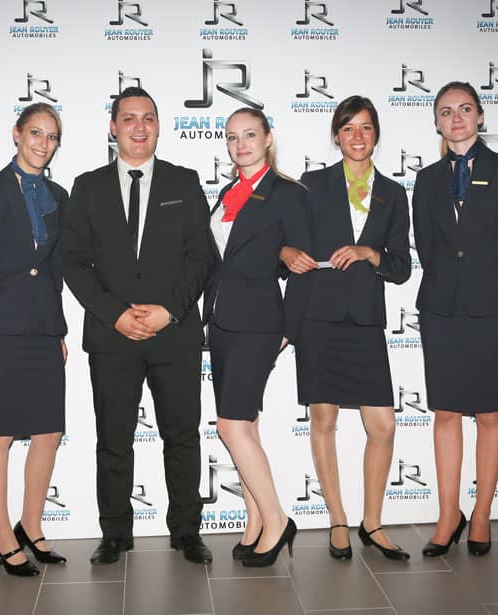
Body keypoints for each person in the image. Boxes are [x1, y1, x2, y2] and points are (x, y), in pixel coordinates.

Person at [61, 86, 215, 565]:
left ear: (159, 126)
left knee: (182, 437)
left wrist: (169, 310)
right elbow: (73, 262)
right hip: (113, 337)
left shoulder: (185, 182)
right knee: (113, 441)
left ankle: (186, 531)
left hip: (175, 333)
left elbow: (202, 257)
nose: (139, 127)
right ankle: (114, 533)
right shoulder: (87, 187)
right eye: (129, 118)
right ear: (113, 127)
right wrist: (115, 314)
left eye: (148, 117)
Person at [282, 95, 411, 561]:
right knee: (324, 419)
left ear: (376, 135)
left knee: (383, 425)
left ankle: (372, 523)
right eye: (349, 128)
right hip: (318, 317)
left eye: (366, 127)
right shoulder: (312, 185)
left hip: (365, 320)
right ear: (336, 136)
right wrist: (284, 256)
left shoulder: (393, 193)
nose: (358, 136)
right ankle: (337, 518)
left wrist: (369, 253)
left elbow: (401, 266)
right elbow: (284, 242)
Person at [412, 82, 498, 557]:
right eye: (446, 111)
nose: (456, 118)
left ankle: (481, 514)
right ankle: (449, 515)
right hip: (440, 309)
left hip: (489, 310)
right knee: (445, 413)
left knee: (487, 413)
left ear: (480, 116)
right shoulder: (426, 180)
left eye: (465, 109)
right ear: (436, 122)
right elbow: (427, 245)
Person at [0, 103, 69, 575]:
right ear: (17, 134)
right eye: (36, 133)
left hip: (42, 327)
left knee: (49, 432)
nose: (43, 143)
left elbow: (54, 270)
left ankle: (31, 525)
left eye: (52, 136)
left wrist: (58, 329)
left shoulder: (59, 195)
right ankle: (2, 534)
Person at [202, 107, 309, 566]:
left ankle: (278, 520)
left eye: (249, 135)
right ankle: (255, 521)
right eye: (232, 137)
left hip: (260, 322)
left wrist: (291, 327)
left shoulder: (288, 193)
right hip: (222, 321)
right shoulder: (227, 193)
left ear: (267, 138)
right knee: (245, 426)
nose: (241, 144)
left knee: (230, 425)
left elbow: (305, 266)